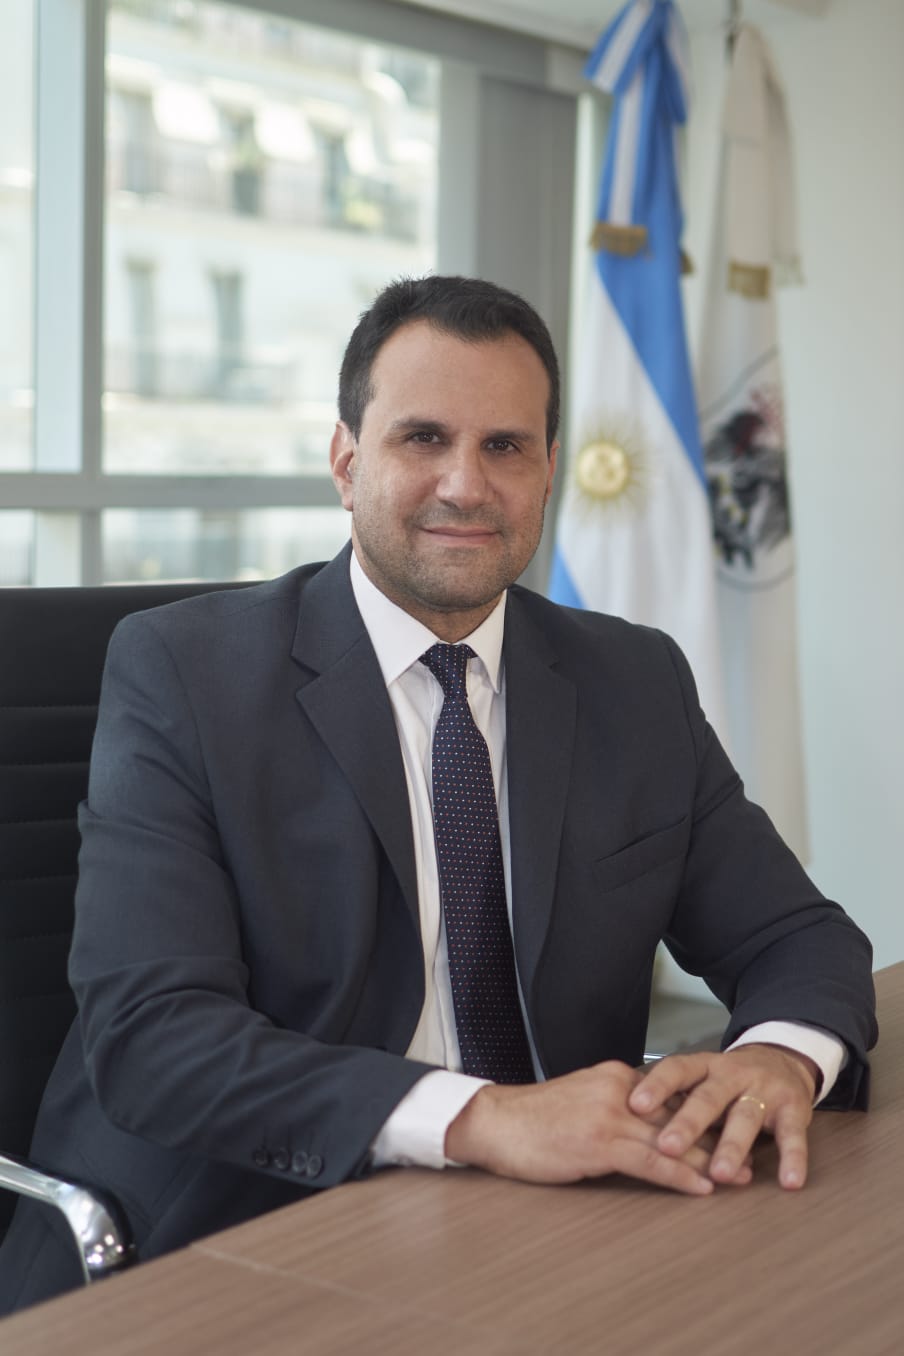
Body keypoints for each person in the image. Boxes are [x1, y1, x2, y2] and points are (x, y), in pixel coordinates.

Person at [0, 276, 876, 1313]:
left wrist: (778, 1057)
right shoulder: (185, 675)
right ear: (346, 462)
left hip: (546, 1226)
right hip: (236, 1226)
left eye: (505, 446)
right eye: (423, 438)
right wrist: (481, 1118)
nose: (466, 485)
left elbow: (795, 937)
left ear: (548, 470)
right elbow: (153, 1037)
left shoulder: (631, 679)